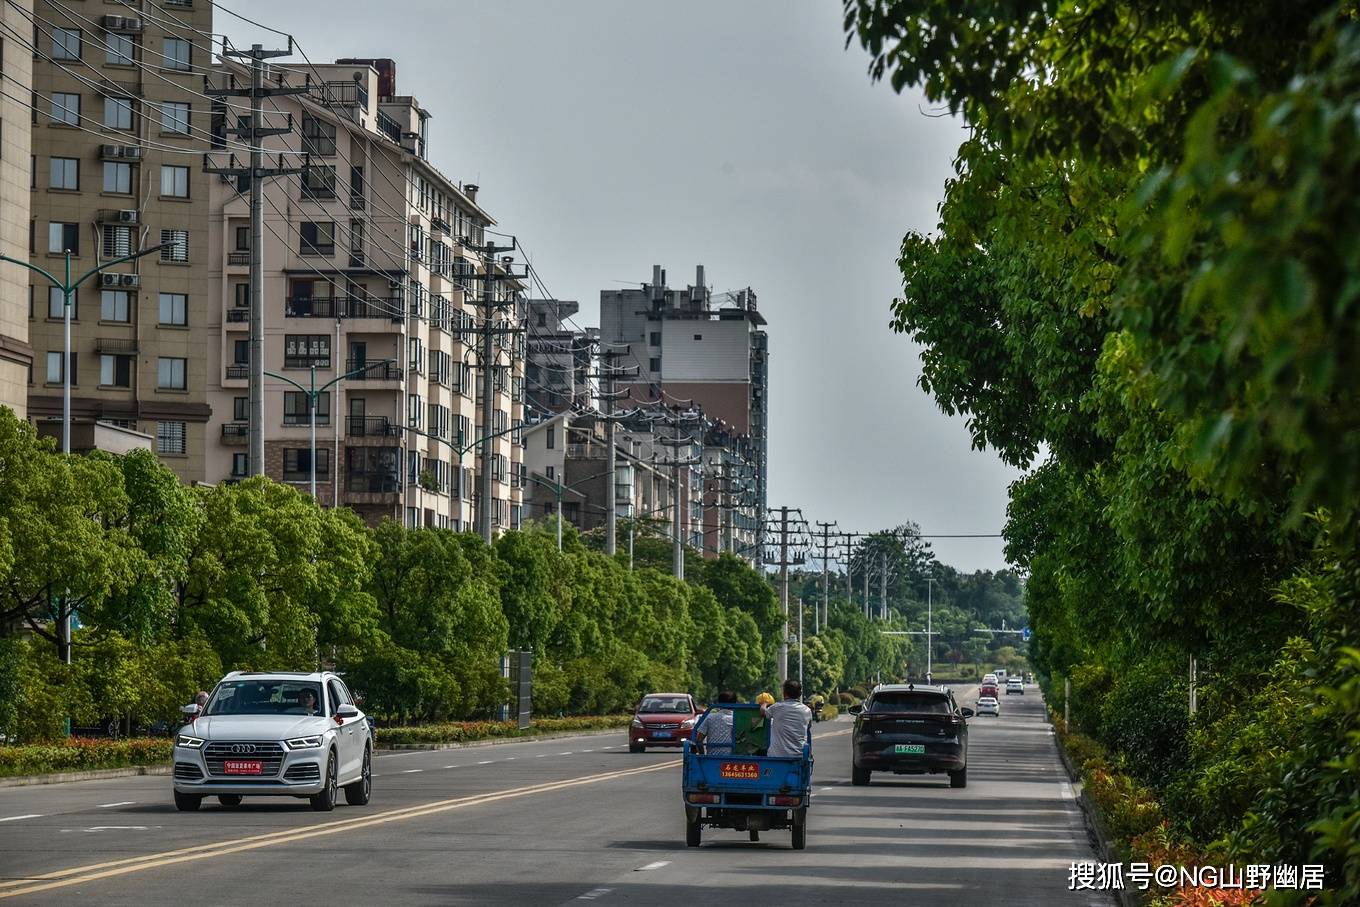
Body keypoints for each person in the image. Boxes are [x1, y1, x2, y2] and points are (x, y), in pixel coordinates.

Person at [765, 679, 813, 758]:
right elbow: (808, 727)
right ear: (800, 694)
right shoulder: (807, 711)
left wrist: (764, 704)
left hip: (776, 757)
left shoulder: (777, 707)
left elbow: (764, 713)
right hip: (799, 757)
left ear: (784, 693)